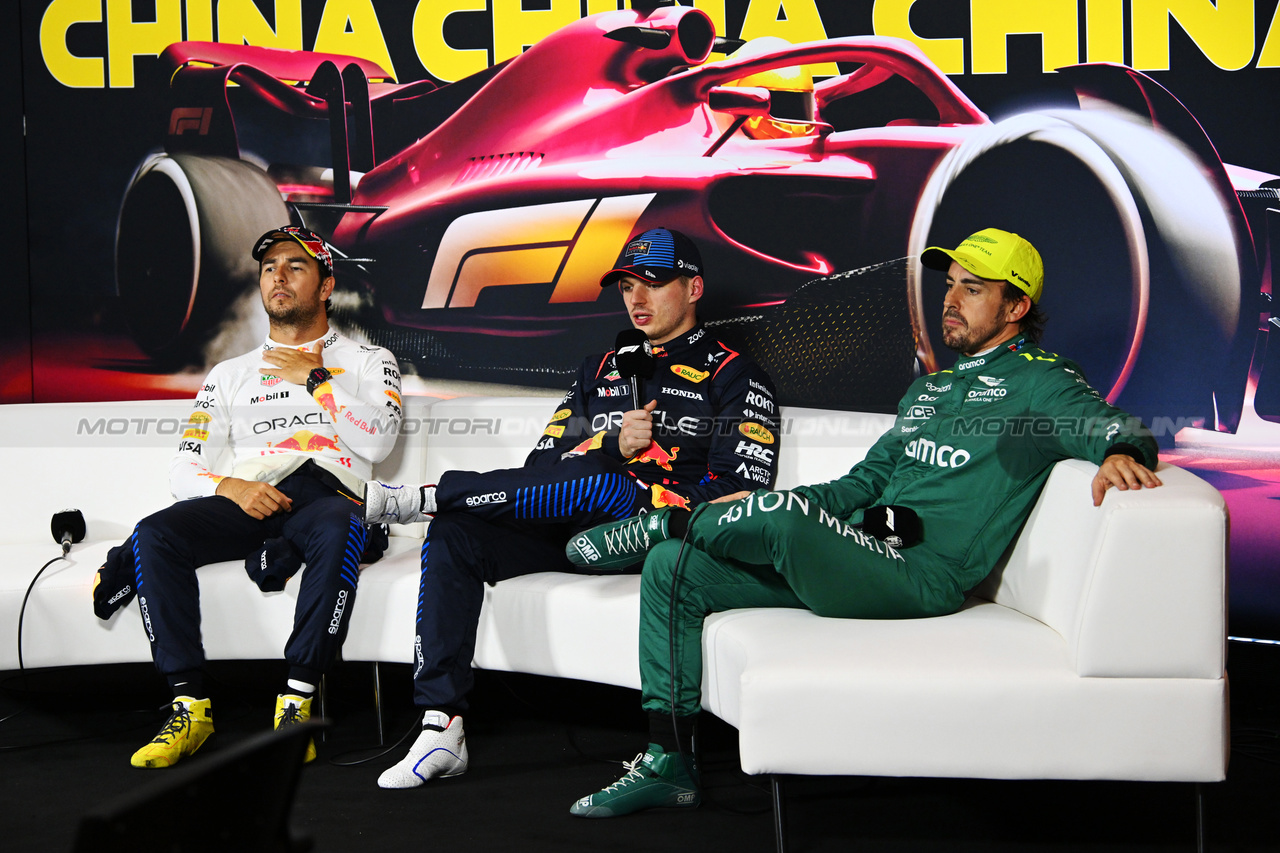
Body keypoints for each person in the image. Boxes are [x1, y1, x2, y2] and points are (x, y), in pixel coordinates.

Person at [565, 227, 1163, 817]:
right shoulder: (930, 388)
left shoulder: (1041, 380)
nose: (950, 301)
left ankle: (668, 524)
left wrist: (1122, 454)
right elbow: (862, 484)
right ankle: (668, 763)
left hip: (922, 577)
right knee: (677, 570)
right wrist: (778, 510)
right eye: (949, 285)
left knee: (741, 522)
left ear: (1016, 306)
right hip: (861, 553)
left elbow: (1115, 424)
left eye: (973, 290)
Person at [362, 227, 780, 789]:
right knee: (456, 534)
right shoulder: (600, 369)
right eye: (628, 285)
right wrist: (612, 445)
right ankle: (442, 724)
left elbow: (742, 495)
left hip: (650, 531)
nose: (638, 298)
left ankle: (429, 495)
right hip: (569, 523)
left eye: (654, 283)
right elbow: (543, 465)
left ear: (695, 286)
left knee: (603, 483)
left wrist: (644, 488)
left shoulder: (735, 376)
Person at [121, 226, 402, 768]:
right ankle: (188, 707)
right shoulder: (230, 375)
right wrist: (231, 486)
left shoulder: (370, 360)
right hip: (253, 498)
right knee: (156, 533)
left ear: (325, 286)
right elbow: (183, 465)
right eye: (270, 266)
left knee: (342, 525)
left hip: (328, 499)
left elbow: (379, 442)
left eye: (296, 266)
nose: (279, 275)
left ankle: (296, 702)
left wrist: (316, 377)